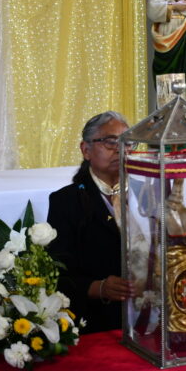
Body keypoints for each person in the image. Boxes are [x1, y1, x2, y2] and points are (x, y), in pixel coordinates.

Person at [47, 112, 135, 333]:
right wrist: (99, 288)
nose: (120, 149)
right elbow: (57, 275)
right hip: (96, 322)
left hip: (147, 318)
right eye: (110, 142)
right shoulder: (66, 202)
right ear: (86, 150)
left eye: (127, 143)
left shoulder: (147, 195)